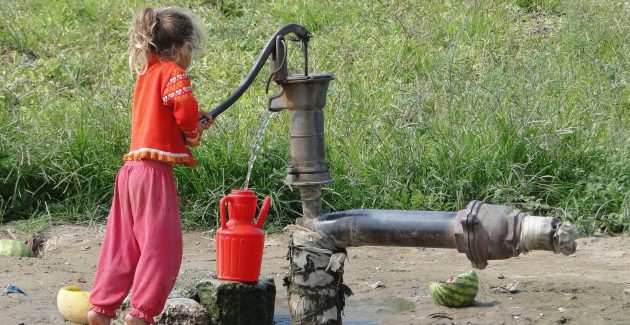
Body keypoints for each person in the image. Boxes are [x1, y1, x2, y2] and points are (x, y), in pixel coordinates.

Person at [88, 7, 213, 325]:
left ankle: (101, 309)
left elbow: (162, 119)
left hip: (130, 172)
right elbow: (184, 114)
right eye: (192, 51)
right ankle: (141, 315)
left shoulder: (147, 72)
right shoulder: (174, 73)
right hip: (154, 175)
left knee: (123, 245)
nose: (190, 58)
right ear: (183, 47)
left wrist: (188, 126)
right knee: (162, 249)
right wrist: (194, 129)